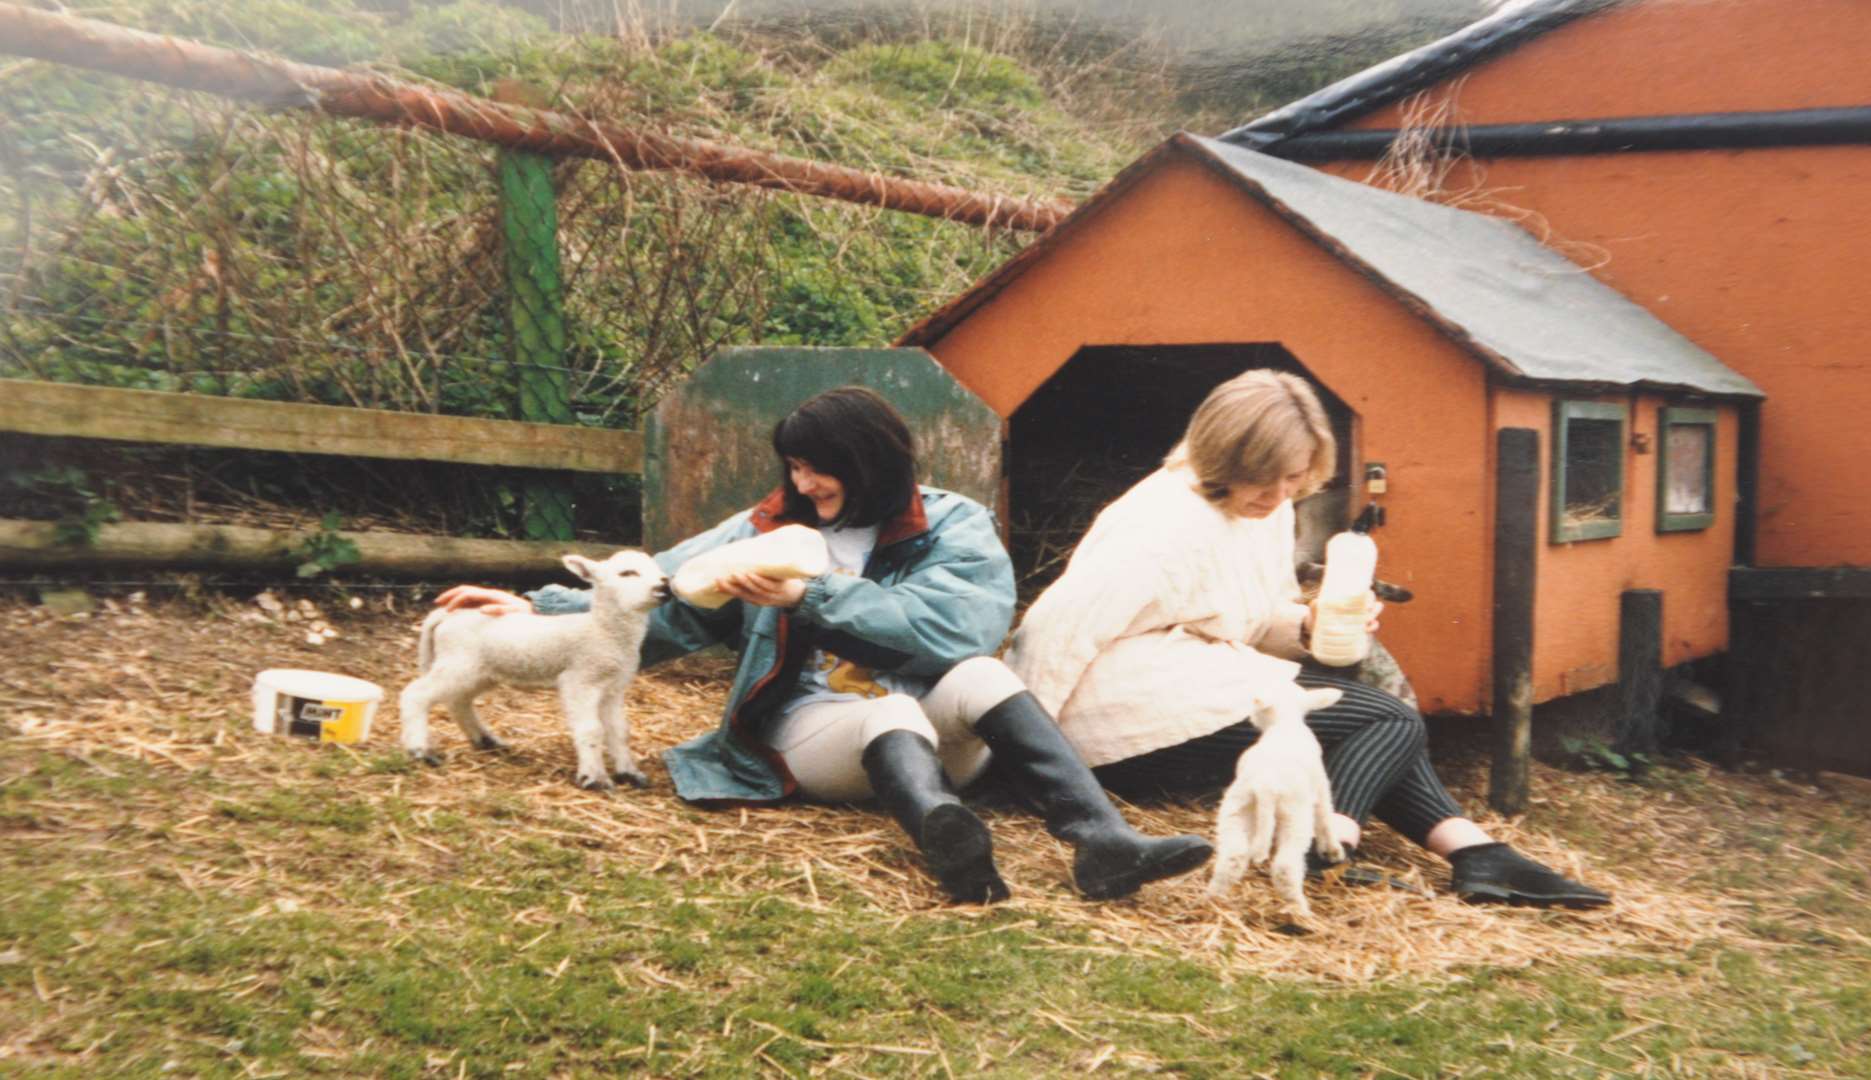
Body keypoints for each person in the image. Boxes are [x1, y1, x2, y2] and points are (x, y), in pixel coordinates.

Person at [436, 386, 1211, 904]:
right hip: (813, 730)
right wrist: (536, 607)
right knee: (882, 717)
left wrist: (816, 594)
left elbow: (959, 630)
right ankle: (948, 840)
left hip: (938, 725)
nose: (805, 482)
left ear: (871, 463)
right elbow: (662, 595)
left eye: (820, 467)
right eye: (796, 466)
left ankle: (1102, 841)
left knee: (977, 671)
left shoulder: (954, 524)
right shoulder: (764, 527)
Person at [1007, 369, 1609, 908]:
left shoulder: (1269, 509)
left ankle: (1476, 854)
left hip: (1191, 678)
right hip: (1114, 717)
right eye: (1261, 483)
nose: (1276, 498)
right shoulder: (1160, 525)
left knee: (1373, 719)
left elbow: (1248, 614)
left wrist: (1307, 626)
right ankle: (1329, 855)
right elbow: (1052, 633)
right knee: (1385, 720)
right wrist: (1034, 766)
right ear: (1221, 461)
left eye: (1292, 482)